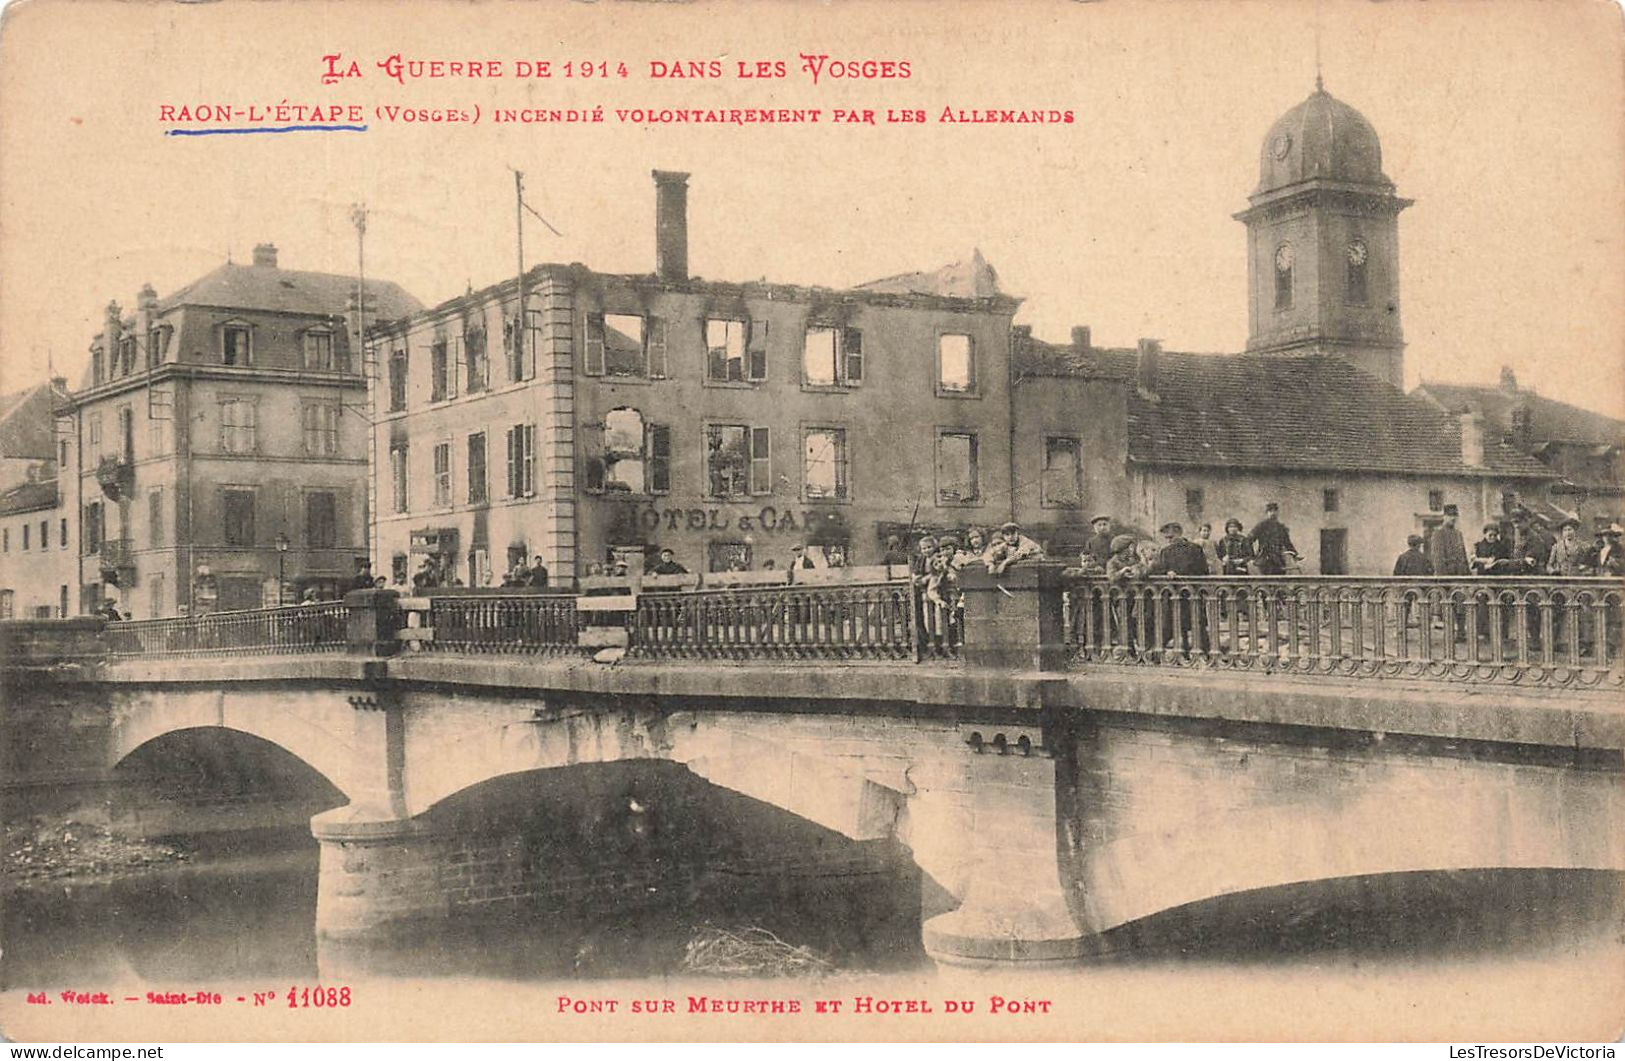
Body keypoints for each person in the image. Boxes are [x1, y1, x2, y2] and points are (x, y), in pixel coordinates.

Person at [1147, 521, 1210, 654]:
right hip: (1173, 595)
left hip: (1192, 594)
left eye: (1171, 537)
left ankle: (1207, 653)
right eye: (1167, 538)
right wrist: (1166, 573)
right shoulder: (1165, 551)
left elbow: (1203, 571)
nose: (1169, 540)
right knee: (1170, 624)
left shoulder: (1195, 549)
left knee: (1197, 625)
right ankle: (1160, 652)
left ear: (1180, 533)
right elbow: (1156, 570)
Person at [1471, 523, 1515, 645]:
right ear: (1485, 534)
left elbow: (1506, 560)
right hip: (1484, 579)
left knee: (1501, 605)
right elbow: (1473, 562)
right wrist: (1484, 563)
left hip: (1499, 579)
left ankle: (1502, 633)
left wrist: (1498, 563)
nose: (1492, 537)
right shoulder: (1478, 546)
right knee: (1483, 606)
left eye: (1495, 535)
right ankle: (1485, 633)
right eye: (1490, 535)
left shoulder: (1502, 546)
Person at [1105, 534, 1148, 650]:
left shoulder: (1133, 559)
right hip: (1120, 597)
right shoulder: (1112, 562)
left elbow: (1141, 570)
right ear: (1122, 549)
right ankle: (1128, 649)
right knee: (1124, 622)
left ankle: (1139, 647)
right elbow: (1112, 577)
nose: (1132, 550)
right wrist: (1122, 572)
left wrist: (1139, 567)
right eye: (1130, 548)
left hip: (1133, 596)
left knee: (1135, 621)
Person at [1247, 502, 1300, 575]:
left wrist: (1295, 554)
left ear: (1278, 513)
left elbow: (1287, 543)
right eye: (1270, 511)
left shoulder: (1281, 527)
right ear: (1267, 513)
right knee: (1267, 582)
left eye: (1275, 511)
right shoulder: (1261, 526)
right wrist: (1251, 556)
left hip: (1278, 559)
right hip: (1265, 558)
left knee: (1279, 581)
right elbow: (1249, 540)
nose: (1273, 513)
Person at [1393, 534, 1433, 630]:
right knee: (1423, 607)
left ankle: (1401, 628)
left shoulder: (1402, 557)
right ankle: (1425, 628)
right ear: (1419, 545)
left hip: (1406, 587)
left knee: (1404, 607)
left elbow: (1396, 573)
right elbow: (1431, 571)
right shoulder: (1424, 558)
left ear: (1409, 544)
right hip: (1421, 586)